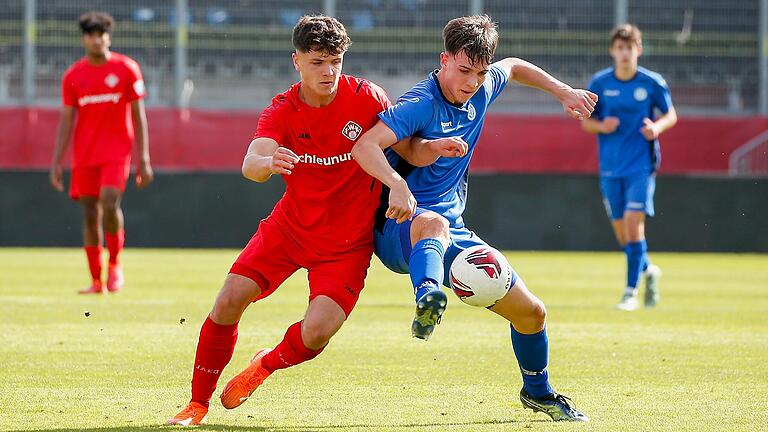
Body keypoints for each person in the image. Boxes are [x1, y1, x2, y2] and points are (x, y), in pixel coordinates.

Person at [168, 15, 463, 426]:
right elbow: (250, 163)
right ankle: (197, 405)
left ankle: (264, 365)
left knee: (317, 333)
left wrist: (430, 146)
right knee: (228, 300)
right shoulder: (284, 108)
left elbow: (404, 146)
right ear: (297, 61)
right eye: (317, 62)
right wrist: (269, 162)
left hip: (347, 246)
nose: (328, 71)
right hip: (289, 230)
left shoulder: (366, 97)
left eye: (335, 61)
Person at [351, 15, 596, 422]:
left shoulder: (483, 87)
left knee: (532, 313)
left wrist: (563, 91)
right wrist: (397, 184)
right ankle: (427, 296)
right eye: (463, 71)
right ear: (443, 60)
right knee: (433, 225)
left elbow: (514, 66)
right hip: (400, 226)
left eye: (480, 73)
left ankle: (538, 392)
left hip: (453, 228)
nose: (471, 82)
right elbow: (365, 146)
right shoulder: (420, 102)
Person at [49, 11, 153, 294]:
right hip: (85, 154)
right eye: (91, 35)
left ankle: (115, 266)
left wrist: (143, 157)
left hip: (117, 152)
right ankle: (96, 279)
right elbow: (67, 119)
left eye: (101, 34)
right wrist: (57, 161)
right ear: (84, 39)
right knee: (88, 212)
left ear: (109, 36)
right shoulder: (73, 76)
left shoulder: (127, 69)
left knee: (109, 202)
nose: (97, 40)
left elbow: (139, 115)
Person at [581, 24, 677, 311]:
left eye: (630, 47)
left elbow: (671, 114)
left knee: (635, 226)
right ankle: (648, 270)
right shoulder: (600, 83)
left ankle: (630, 292)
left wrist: (656, 127)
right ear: (613, 51)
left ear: (639, 50)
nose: (625, 53)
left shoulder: (651, 83)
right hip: (611, 166)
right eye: (620, 48)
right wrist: (602, 125)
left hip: (641, 165)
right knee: (624, 235)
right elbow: (586, 122)